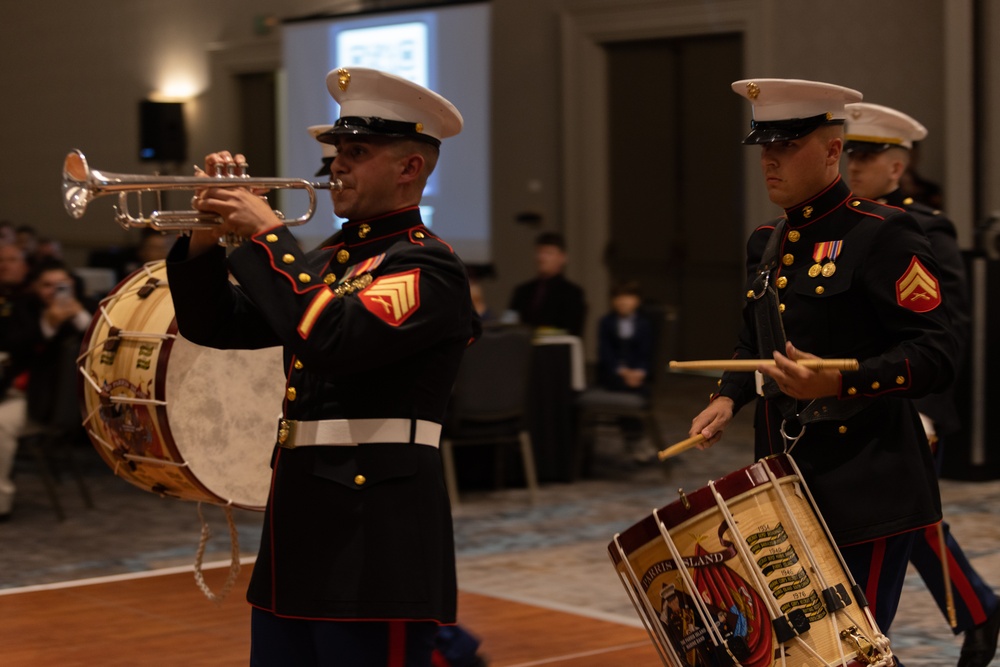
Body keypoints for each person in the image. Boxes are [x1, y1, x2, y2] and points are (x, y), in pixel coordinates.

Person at [165, 67, 479, 666]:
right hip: (300, 523)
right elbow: (218, 326)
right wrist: (206, 237)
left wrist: (267, 233)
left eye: (357, 152)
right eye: (336, 151)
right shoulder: (332, 258)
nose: (336, 165)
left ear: (410, 168)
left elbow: (334, 337)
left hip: (375, 535)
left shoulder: (426, 267)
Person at [689, 78, 958, 642]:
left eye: (785, 147)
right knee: (805, 649)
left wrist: (840, 379)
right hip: (786, 483)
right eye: (765, 148)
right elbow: (753, 343)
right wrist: (725, 397)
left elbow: (936, 354)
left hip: (868, 483)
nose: (770, 161)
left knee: (853, 648)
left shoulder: (884, 233)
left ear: (833, 150)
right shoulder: (766, 240)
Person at [844, 101, 1000, 667]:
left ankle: (867, 648)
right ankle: (981, 610)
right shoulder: (843, 228)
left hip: (910, 407)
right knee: (915, 526)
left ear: (897, 165)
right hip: (856, 408)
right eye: (850, 155)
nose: (854, 166)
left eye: (869, 156)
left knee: (898, 528)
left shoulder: (927, 228)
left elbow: (946, 328)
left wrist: (922, 406)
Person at [593, 280, 655, 462]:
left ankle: (635, 439)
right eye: (618, 297)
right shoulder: (606, 322)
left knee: (638, 388)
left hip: (637, 376)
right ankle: (635, 439)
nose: (623, 302)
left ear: (637, 301)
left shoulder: (644, 324)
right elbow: (606, 354)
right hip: (613, 375)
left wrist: (639, 372)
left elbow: (647, 352)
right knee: (625, 389)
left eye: (628, 297)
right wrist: (623, 372)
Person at [0, 241, 30, 520]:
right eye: (1, 260)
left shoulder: (34, 301)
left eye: (11, 260)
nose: (5, 265)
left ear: (24, 266)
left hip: (23, 393)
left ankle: (1, 502)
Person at [507, 231, 586, 335]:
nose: (542, 258)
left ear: (562, 258)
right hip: (523, 348)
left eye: (548, 253)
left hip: (555, 348)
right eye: (539, 252)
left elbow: (571, 330)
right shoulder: (522, 291)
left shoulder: (572, 293)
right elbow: (508, 323)